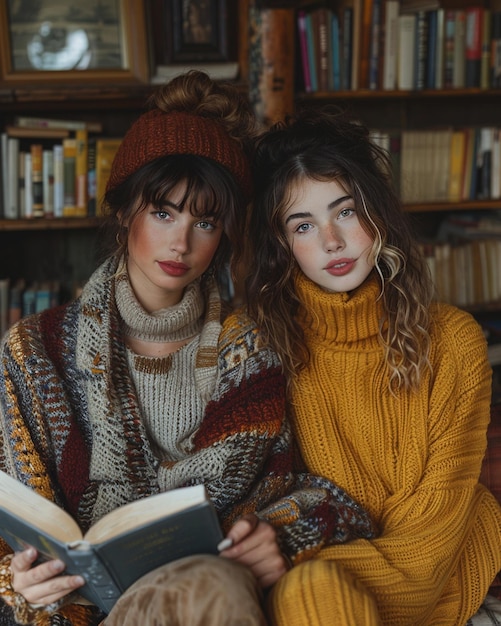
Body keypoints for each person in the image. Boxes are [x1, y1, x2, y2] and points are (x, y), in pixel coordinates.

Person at [0, 72, 376, 626]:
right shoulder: (35, 353)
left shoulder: (255, 351)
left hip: (212, 595)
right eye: (163, 213)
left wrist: (277, 536)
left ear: (225, 233)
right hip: (76, 611)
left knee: (213, 584)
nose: (181, 242)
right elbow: (14, 522)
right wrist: (16, 581)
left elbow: (317, 492)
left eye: (205, 221)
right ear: (125, 209)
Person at [246, 105, 501, 626]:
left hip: (445, 560)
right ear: (282, 245)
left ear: (377, 213)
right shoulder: (264, 347)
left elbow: (427, 553)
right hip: (325, 575)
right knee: (311, 590)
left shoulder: (454, 342)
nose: (331, 242)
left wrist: (299, 568)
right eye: (303, 225)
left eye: (345, 211)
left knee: (308, 589)